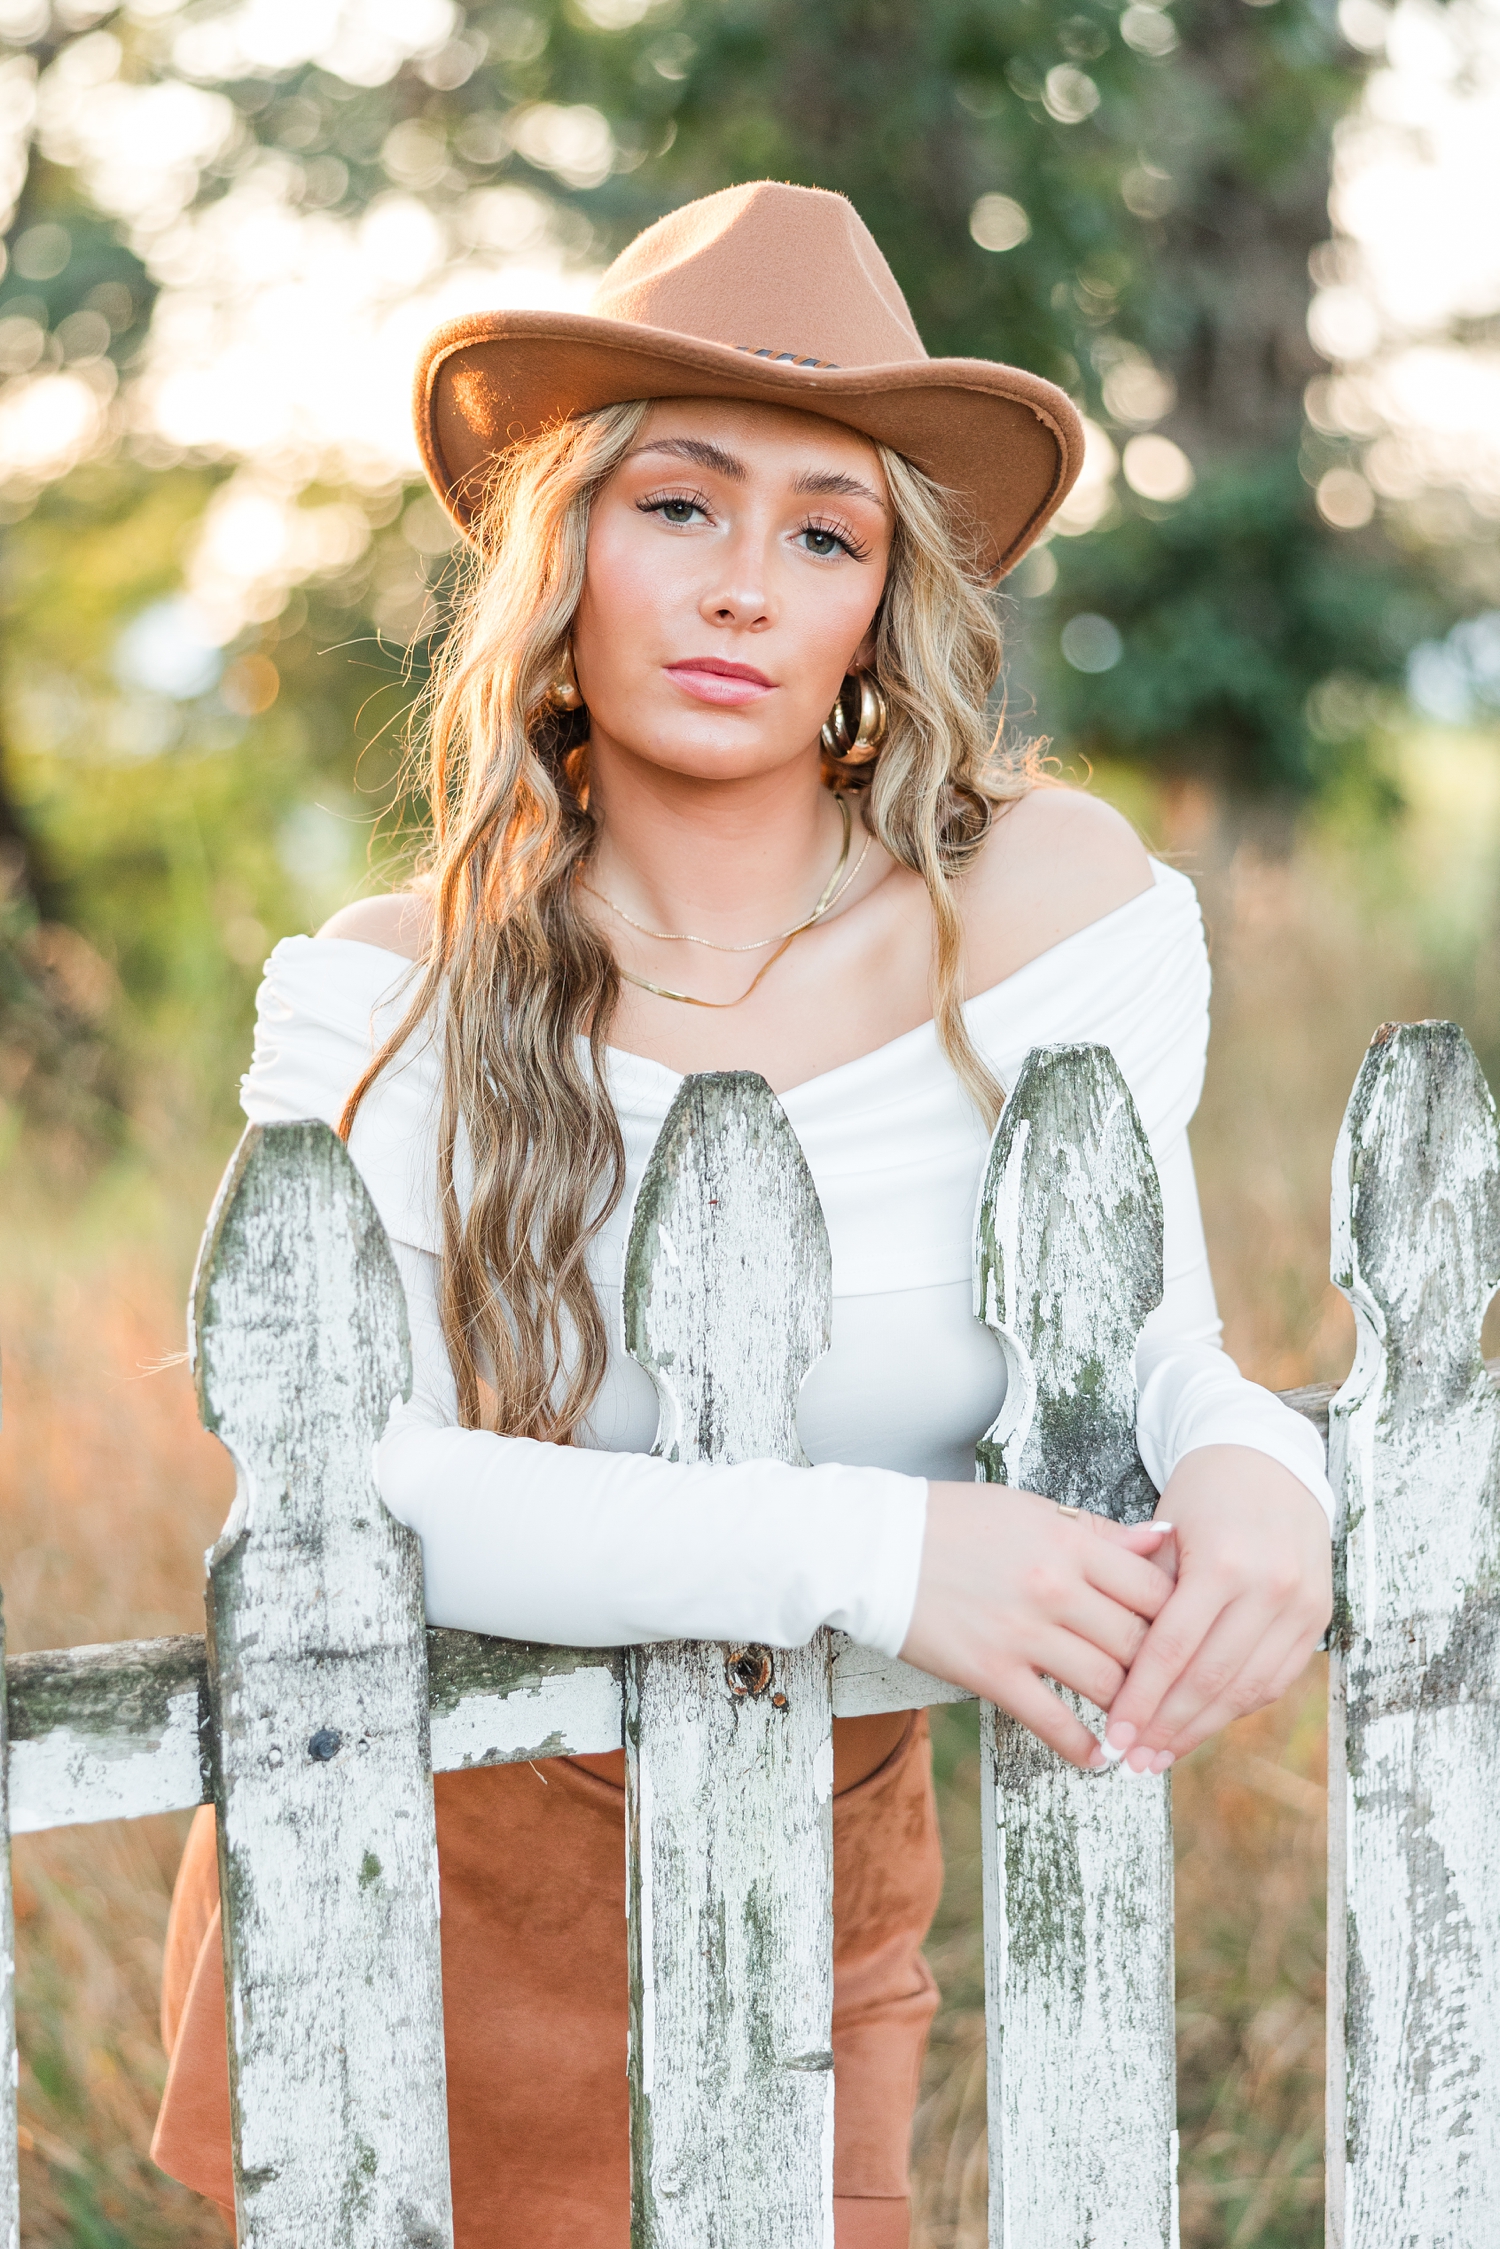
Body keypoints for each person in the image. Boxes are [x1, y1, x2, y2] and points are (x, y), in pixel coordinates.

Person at [151, 181, 1334, 2247]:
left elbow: (1142, 1333)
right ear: (564, 551)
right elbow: (331, 1484)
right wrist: (881, 1545)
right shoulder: (380, 990)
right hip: (412, 1854)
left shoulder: (1051, 907)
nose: (742, 592)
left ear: (883, 606)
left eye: (824, 534)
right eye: (678, 508)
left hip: (818, 1822)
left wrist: (1261, 1464)